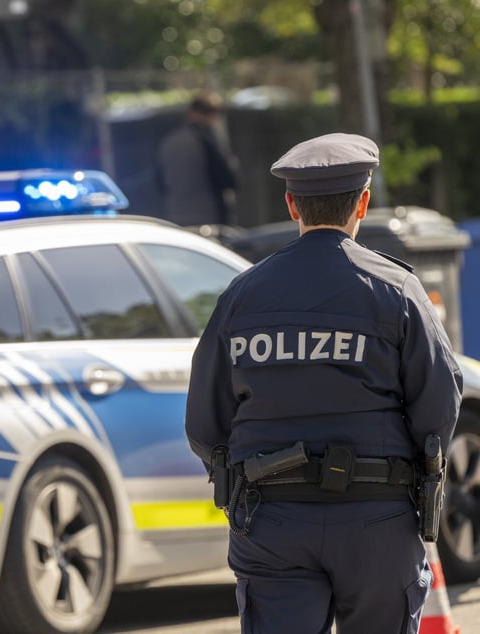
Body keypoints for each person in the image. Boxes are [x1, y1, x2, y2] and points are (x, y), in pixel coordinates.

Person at [184, 133, 463, 633]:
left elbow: (206, 422)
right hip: (376, 520)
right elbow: (439, 402)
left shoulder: (241, 296)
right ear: (363, 201)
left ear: (292, 205)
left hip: (270, 519)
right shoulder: (396, 290)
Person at [155, 92, 237, 226]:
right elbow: (228, 178)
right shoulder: (206, 141)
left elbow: (160, 183)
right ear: (211, 115)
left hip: (176, 216)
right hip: (208, 219)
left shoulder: (168, 141)